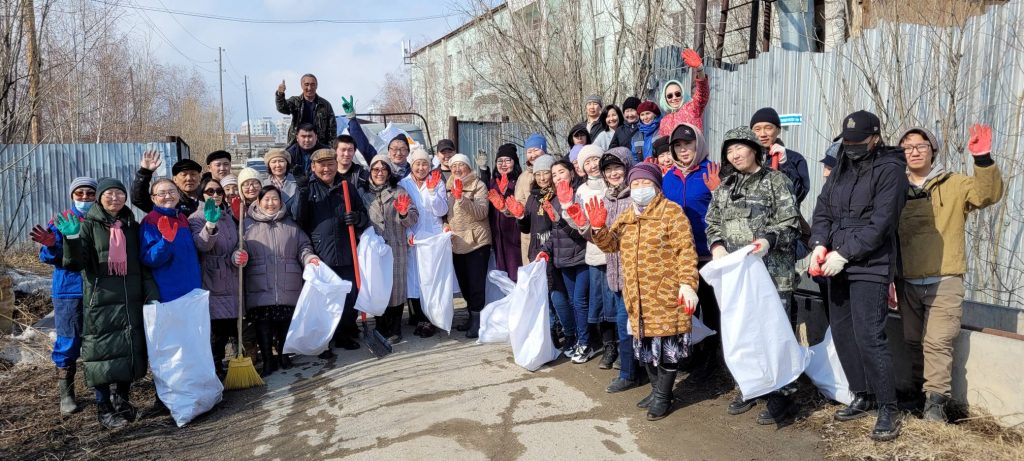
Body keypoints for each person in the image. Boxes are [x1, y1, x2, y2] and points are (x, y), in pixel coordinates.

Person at [809, 110, 908, 442]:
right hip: (834, 261)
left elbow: (882, 222)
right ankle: (861, 394)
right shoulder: (842, 163)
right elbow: (822, 209)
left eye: (858, 142)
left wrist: (845, 253)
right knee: (843, 332)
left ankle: (888, 408)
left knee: (869, 335)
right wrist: (820, 245)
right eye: (847, 142)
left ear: (875, 138)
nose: (851, 147)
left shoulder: (891, 168)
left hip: (871, 263)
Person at [895, 124, 1003, 422]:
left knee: (938, 342)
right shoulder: (894, 188)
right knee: (913, 340)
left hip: (945, 279)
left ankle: (935, 402)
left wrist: (982, 158)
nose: (914, 152)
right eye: (907, 147)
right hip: (907, 279)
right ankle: (918, 394)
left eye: (921, 145)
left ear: (933, 150)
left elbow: (987, 194)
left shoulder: (953, 183)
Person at [705, 126, 801, 425]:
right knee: (743, 334)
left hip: (772, 275)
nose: (735, 154)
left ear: (753, 149)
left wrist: (769, 240)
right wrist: (717, 244)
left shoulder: (776, 181)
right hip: (738, 278)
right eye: (730, 151)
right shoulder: (725, 187)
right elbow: (712, 222)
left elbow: (790, 222)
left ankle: (783, 395)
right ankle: (750, 386)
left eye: (740, 148)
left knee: (775, 335)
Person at [591, 162, 700, 421]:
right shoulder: (628, 216)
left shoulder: (671, 212)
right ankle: (656, 390)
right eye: (636, 184)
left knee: (667, 346)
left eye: (646, 183)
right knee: (648, 346)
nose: (640, 188)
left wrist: (687, 283)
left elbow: (685, 251)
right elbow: (610, 245)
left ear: (656, 186)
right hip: (637, 295)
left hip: (666, 293)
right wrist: (597, 228)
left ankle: (664, 396)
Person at [58, 178, 160, 429]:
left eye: (119, 193)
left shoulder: (131, 226)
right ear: (100, 198)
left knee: (127, 348)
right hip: (101, 300)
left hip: (130, 298)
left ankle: (122, 400)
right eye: (109, 194)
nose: (115, 198)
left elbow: (142, 264)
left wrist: (151, 293)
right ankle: (103, 407)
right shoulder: (88, 226)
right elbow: (75, 264)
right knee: (101, 353)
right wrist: (71, 238)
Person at [29, 176, 96, 415]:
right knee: (69, 339)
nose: (85, 198)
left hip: (97, 288)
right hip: (69, 289)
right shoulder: (61, 220)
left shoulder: (100, 220)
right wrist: (51, 245)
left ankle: (100, 387)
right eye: (80, 194)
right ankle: (66, 394)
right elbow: (47, 257)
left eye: (90, 193)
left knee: (97, 339)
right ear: (72, 196)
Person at [660, 123, 722, 381]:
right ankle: (691, 354)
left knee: (712, 307)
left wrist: (719, 192)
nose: (684, 150)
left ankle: (714, 357)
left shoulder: (711, 170)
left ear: (699, 145)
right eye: (678, 146)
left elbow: (726, 210)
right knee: (687, 309)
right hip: (681, 258)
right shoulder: (668, 178)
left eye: (689, 144)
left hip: (709, 255)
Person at [293, 148, 369, 353]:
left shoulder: (347, 187)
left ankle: (344, 333)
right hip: (321, 254)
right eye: (322, 164)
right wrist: (301, 192)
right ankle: (323, 339)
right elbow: (299, 219)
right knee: (322, 300)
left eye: (330, 164)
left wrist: (357, 218)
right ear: (314, 167)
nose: (326, 168)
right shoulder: (308, 189)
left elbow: (364, 215)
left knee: (349, 294)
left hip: (346, 250)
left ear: (336, 164)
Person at [244, 186, 321, 375]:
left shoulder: (291, 224)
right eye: (266, 199)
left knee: (285, 322)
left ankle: (284, 355)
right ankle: (268, 360)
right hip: (259, 283)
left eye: (275, 199)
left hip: (288, 282)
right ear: (259, 202)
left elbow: (303, 246)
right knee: (263, 325)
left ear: (280, 201)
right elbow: (239, 248)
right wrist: (240, 255)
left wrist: (309, 258)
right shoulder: (247, 225)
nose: (271, 203)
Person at [507, 155, 576, 352]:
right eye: (538, 174)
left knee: (556, 293)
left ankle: (570, 333)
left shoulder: (558, 195)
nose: (543, 178)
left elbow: (559, 225)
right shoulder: (533, 196)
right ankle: (551, 329)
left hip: (553, 249)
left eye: (546, 173)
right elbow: (527, 228)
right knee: (543, 294)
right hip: (536, 250)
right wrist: (520, 216)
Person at [560, 145, 618, 369]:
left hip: (616, 249)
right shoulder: (582, 190)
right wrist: (568, 209)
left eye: (596, 159)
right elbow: (578, 224)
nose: (593, 165)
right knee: (600, 304)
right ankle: (608, 345)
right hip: (594, 253)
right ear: (582, 168)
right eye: (588, 162)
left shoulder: (612, 182)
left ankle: (623, 348)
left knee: (618, 302)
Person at [537, 159, 596, 363]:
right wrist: (545, 251)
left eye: (561, 172)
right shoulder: (554, 200)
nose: (558, 177)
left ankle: (586, 343)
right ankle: (579, 340)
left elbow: (581, 233)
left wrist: (561, 218)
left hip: (581, 257)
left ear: (571, 173)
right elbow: (555, 234)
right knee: (572, 302)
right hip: (563, 260)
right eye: (554, 175)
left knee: (580, 301)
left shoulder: (579, 195)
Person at [188, 178, 244, 378]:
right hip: (213, 278)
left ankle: (237, 363)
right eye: (210, 191)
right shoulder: (196, 218)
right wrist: (209, 225)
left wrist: (239, 254)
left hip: (233, 275)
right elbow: (202, 245)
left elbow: (236, 241)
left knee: (233, 325)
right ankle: (215, 367)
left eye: (218, 191)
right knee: (217, 330)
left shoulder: (228, 216)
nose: (215, 195)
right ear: (201, 194)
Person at [365, 154, 419, 343]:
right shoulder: (363, 193)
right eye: (375, 169)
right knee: (378, 286)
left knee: (396, 287)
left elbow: (414, 217)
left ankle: (395, 327)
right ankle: (380, 325)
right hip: (374, 249)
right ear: (370, 171)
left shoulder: (399, 191)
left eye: (384, 169)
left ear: (389, 172)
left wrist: (404, 213)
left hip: (396, 245)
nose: (379, 173)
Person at [400, 147, 448, 338]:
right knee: (416, 281)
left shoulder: (436, 182)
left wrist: (432, 192)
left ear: (430, 165)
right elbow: (402, 212)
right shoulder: (403, 184)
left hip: (434, 238)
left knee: (432, 279)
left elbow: (442, 210)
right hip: (414, 238)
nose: (421, 167)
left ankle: (432, 319)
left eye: (425, 164)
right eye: (417, 164)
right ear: (412, 165)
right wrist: (408, 233)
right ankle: (420, 317)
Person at [446, 153, 492, 339]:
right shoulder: (447, 186)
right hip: (457, 241)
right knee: (464, 283)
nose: (457, 169)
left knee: (475, 284)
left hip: (477, 242)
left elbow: (482, 212)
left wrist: (462, 199)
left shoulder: (478, 185)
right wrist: (444, 224)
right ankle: (470, 315)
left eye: (461, 165)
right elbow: (444, 212)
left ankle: (478, 320)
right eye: (453, 166)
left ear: (468, 167)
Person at [139, 179, 202, 303]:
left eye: (172, 192)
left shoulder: (182, 218)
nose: (168, 196)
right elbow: (149, 258)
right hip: (168, 294)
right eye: (162, 193)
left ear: (178, 194)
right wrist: (165, 241)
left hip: (193, 290)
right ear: (153, 198)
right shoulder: (150, 220)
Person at [750, 107, 811, 205]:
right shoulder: (745, 159)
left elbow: (799, 194)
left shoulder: (795, 159)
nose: (762, 134)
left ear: (778, 130)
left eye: (768, 128)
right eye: (757, 129)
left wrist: (785, 164)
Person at [485, 143, 524, 281]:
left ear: (515, 162)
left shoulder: (520, 181)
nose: (503, 164)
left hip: (514, 236)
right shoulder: (492, 183)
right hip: (498, 236)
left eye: (508, 160)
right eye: (500, 161)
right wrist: (484, 170)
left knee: (516, 274)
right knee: (502, 275)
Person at [131, 150, 201, 216]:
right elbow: (139, 199)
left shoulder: (207, 196)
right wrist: (145, 172)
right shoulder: (168, 200)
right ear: (175, 179)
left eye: (193, 174)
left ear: (199, 177)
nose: (189, 178)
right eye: (184, 175)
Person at [658, 48, 709, 136]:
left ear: (683, 94)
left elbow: (702, 93)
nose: (674, 98)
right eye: (670, 96)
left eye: (677, 94)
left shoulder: (692, 108)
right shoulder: (664, 121)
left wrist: (700, 68)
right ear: (665, 99)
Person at [514, 134, 549, 263]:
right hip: (530, 234)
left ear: (544, 150)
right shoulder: (523, 177)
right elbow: (519, 203)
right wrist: (510, 209)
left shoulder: (554, 170)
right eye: (529, 151)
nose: (533, 154)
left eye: (536, 150)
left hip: (550, 232)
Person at [275, 74, 337, 145]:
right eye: (306, 84)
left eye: (313, 84)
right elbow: (282, 108)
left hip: (319, 146)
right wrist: (280, 94)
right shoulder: (295, 101)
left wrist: (330, 148)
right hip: (297, 144)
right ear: (301, 85)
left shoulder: (325, 105)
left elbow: (332, 128)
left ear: (316, 86)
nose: (309, 88)